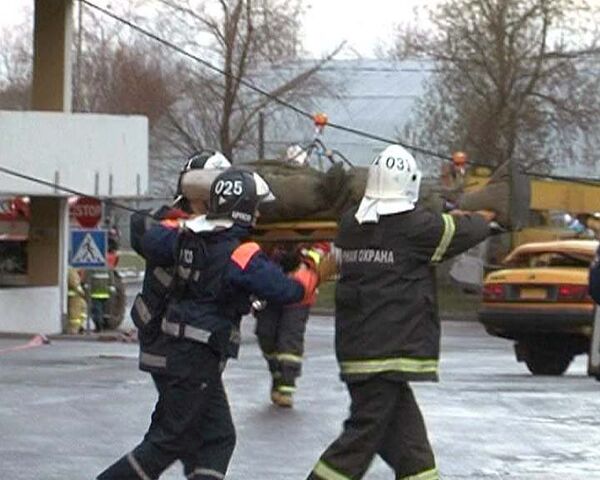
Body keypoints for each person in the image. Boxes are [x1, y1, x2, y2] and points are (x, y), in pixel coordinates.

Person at [97, 167, 319, 480]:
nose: (257, 216)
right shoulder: (241, 253)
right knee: (168, 441)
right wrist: (313, 270)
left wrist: (176, 218)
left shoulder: (186, 234)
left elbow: (149, 233)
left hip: (181, 352)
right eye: (254, 208)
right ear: (243, 209)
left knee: (218, 437)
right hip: (195, 357)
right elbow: (287, 291)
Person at [307, 145, 496, 480]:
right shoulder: (415, 227)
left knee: (413, 454)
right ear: (410, 183)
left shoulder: (352, 224)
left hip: (359, 351)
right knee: (359, 442)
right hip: (387, 355)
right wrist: (486, 219)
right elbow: (462, 232)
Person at [254, 241, 330, 407]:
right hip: (271, 290)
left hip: (299, 294)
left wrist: (307, 262)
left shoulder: (313, 231)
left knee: (290, 339)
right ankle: (277, 373)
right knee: (265, 333)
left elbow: (321, 248)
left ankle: (286, 387)